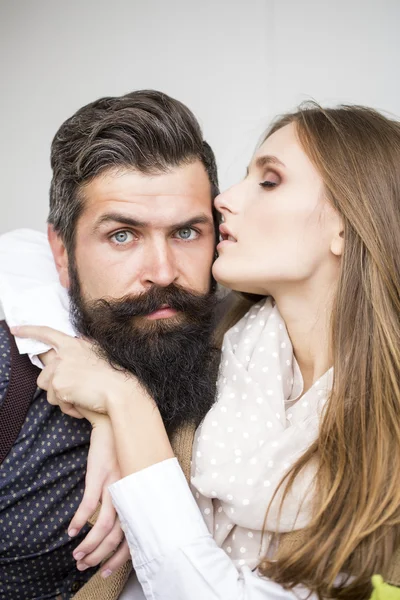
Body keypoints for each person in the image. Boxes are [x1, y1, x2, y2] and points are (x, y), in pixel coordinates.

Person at [6, 102, 400, 599]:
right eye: (123, 235)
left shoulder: (382, 435)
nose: (226, 201)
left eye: (270, 181)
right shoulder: (230, 338)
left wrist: (125, 404)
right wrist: (58, 354)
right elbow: (17, 250)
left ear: (346, 223)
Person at [0, 89, 223, 600]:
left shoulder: (258, 355)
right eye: (122, 236)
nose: (163, 273)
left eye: (187, 232)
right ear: (60, 253)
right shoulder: (11, 374)